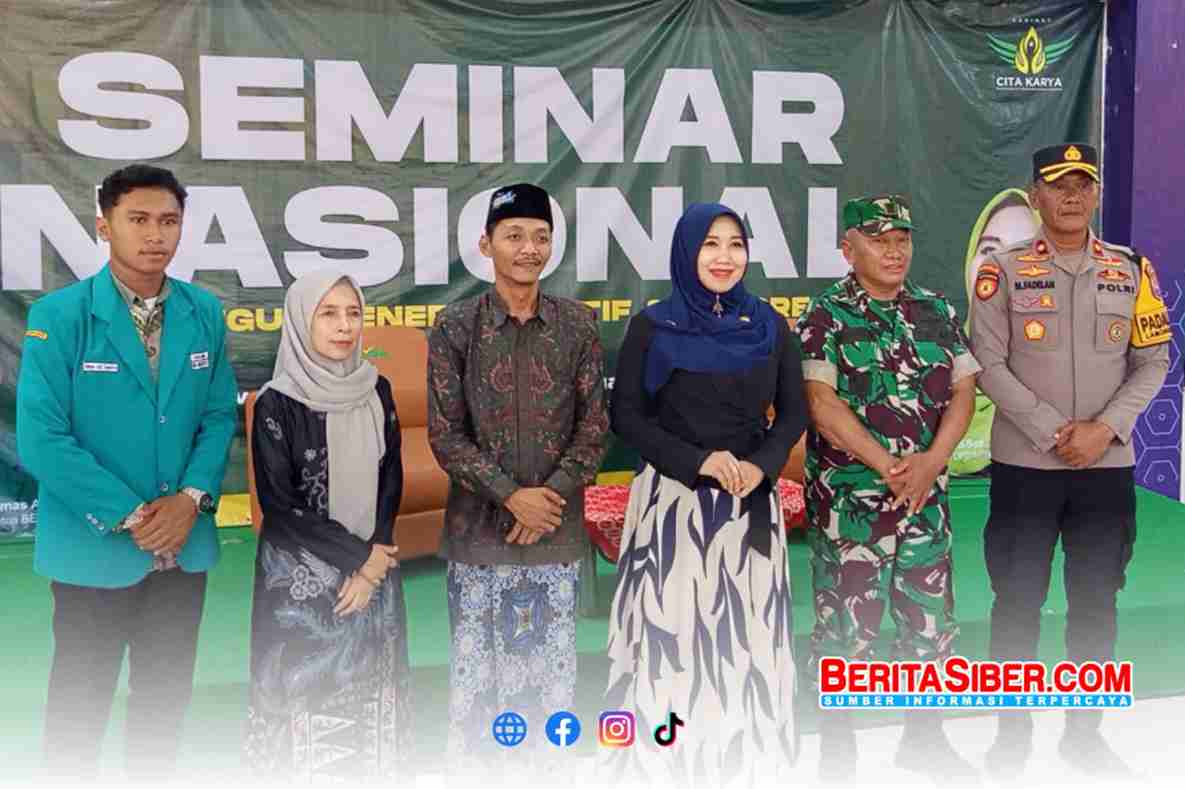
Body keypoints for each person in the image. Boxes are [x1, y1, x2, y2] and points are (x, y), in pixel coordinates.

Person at [16, 163, 238, 779]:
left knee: (163, 708)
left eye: (168, 220)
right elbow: (41, 440)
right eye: (137, 219)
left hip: (182, 552)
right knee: (78, 710)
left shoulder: (203, 311)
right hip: (94, 552)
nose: (154, 234)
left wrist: (191, 499)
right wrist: (136, 516)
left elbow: (218, 415)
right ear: (104, 225)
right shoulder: (59, 316)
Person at [969, 143, 1170, 778]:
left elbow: (1154, 361)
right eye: (1059, 185)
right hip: (1026, 468)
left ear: (1098, 195)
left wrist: (1103, 430)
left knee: (1096, 603)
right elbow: (986, 363)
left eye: (1084, 184)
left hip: (1104, 472)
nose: (1073, 196)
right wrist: (1055, 431)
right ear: (1036, 197)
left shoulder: (1131, 270)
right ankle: (1011, 736)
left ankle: (1084, 735)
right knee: (1016, 602)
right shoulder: (1002, 271)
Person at [603, 202, 806, 784]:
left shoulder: (769, 325)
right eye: (710, 244)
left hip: (749, 509)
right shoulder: (653, 326)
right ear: (686, 252)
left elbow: (793, 413)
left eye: (736, 244)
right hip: (673, 510)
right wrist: (698, 462)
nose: (724, 257)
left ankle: (747, 765)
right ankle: (668, 765)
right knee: (673, 641)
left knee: (748, 643)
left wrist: (762, 467)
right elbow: (626, 417)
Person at [796, 194, 980, 782]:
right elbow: (821, 404)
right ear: (848, 249)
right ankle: (837, 750)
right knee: (845, 630)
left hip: (924, 504)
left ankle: (923, 742)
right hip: (853, 507)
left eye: (902, 239)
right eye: (879, 240)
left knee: (929, 624)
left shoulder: (936, 309)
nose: (894, 250)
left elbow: (963, 392)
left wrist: (932, 463)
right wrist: (888, 466)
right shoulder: (824, 316)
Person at [426, 183, 608, 773]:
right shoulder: (455, 327)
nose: (529, 248)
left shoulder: (577, 325)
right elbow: (446, 435)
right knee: (477, 684)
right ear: (486, 244)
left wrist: (545, 501)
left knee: (551, 684)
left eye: (540, 236)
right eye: (514, 236)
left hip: (555, 533)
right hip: (479, 537)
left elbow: (594, 428)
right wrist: (511, 498)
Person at [244, 271, 409, 780]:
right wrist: (361, 560)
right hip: (301, 585)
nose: (344, 326)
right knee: (302, 701)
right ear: (300, 321)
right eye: (328, 313)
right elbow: (281, 505)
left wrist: (376, 557)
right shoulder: (276, 403)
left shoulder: (376, 388)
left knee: (375, 695)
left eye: (353, 313)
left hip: (373, 577)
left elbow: (391, 475)